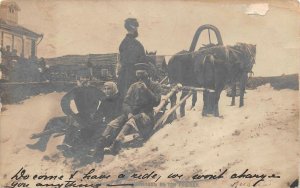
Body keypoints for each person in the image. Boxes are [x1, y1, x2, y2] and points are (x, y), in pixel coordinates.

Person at [27, 77, 104, 152]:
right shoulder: (76, 90)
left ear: (89, 80)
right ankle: (41, 144)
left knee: (74, 125)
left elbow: (107, 102)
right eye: (81, 79)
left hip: (92, 119)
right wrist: (70, 114)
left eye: (86, 79)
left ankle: (67, 144)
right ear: (78, 81)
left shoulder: (95, 90)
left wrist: (99, 114)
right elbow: (64, 101)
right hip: (79, 116)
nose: (83, 81)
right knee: (53, 121)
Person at [100, 63, 162, 155]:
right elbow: (126, 102)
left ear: (148, 74)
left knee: (130, 122)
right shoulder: (133, 86)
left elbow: (156, 101)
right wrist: (129, 113)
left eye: (142, 74)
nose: (140, 78)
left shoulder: (155, 85)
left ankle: (114, 146)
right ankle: (99, 146)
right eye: (138, 75)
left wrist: (146, 90)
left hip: (146, 115)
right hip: (133, 113)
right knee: (113, 124)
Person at [117, 18, 147, 98]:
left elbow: (121, 61)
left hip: (123, 77)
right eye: (137, 27)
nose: (137, 29)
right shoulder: (136, 44)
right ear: (133, 27)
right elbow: (142, 61)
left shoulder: (123, 43)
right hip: (134, 77)